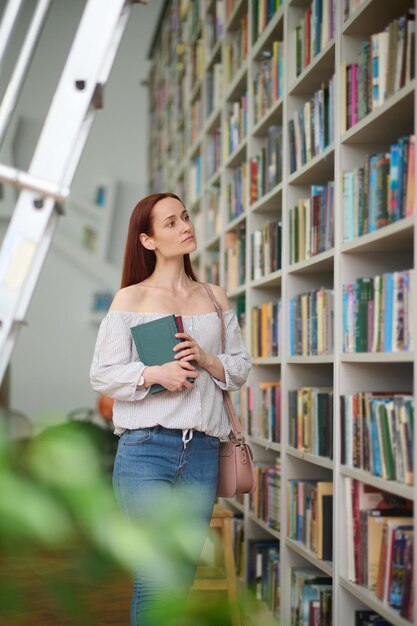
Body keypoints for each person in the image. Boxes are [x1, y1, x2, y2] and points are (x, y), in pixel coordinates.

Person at [89, 192, 252, 625]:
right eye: (170, 223)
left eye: (184, 217)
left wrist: (206, 357)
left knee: (180, 576)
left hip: (201, 454)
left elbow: (240, 369)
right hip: (145, 451)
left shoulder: (214, 298)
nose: (185, 226)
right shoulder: (130, 300)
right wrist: (155, 374)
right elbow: (101, 375)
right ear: (147, 240)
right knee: (157, 575)